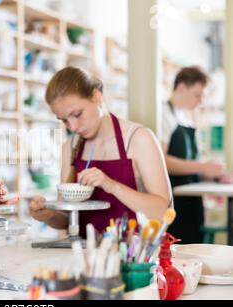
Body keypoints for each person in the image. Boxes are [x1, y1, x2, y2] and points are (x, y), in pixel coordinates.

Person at [29, 66, 172, 237]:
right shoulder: (70, 146)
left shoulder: (138, 139)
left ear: (96, 96)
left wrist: (111, 185)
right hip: (84, 257)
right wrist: (49, 215)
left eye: (77, 114)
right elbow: (67, 218)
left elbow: (163, 212)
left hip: (130, 258)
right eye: (64, 120)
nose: (73, 127)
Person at [161, 66, 230, 244]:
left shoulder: (186, 117)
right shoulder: (164, 115)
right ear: (181, 88)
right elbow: (163, 161)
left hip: (192, 200)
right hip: (175, 201)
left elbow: (191, 162)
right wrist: (202, 167)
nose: (200, 101)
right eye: (197, 94)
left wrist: (213, 176)